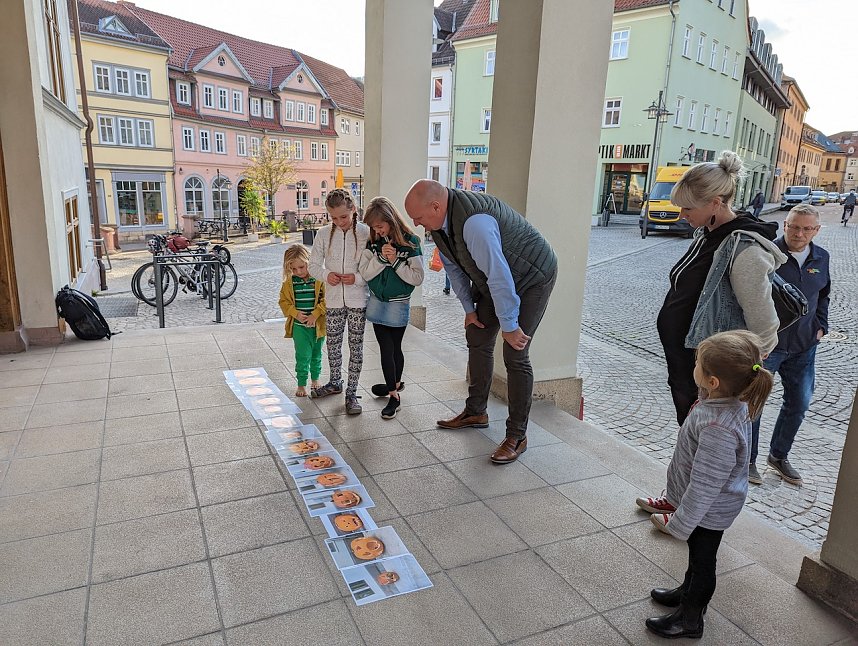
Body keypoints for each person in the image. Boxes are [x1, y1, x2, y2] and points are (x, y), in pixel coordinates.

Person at [637, 152, 785, 517]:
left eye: (688, 209)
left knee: (705, 446)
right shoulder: (709, 233)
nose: (682, 215)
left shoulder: (743, 249)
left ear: (716, 203)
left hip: (714, 374)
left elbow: (765, 326)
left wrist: (734, 378)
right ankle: (675, 497)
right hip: (690, 364)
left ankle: (693, 512)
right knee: (689, 437)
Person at [404, 179, 558, 464]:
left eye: (419, 218)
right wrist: (469, 309)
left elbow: (499, 275)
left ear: (436, 206)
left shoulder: (475, 224)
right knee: (477, 334)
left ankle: (517, 435)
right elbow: (455, 268)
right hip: (498, 278)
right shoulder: (439, 227)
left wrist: (510, 326)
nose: (417, 224)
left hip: (533, 276)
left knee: (515, 352)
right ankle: (476, 411)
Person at [644, 330, 774, 640]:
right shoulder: (721, 402)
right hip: (706, 507)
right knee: (698, 556)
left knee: (703, 562)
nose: (694, 366)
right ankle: (686, 592)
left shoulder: (718, 427)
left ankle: (690, 619)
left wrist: (681, 522)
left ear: (712, 381)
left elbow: (705, 484)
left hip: (708, 510)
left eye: (698, 363)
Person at [748, 204, 830, 486]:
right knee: (753, 404)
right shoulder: (767, 254)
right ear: (785, 225)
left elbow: (824, 294)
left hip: (804, 346)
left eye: (807, 228)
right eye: (794, 226)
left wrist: (821, 326)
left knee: (799, 403)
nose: (800, 233)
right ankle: (747, 460)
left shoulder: (821, 257)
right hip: (767, 346)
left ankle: (778, 456)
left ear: (816, 230)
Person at [358, 197, 424, 420]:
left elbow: (417, 278)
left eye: (379, 225)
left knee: (394, 348)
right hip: (377, 301)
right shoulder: (373, 243)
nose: (376, 230)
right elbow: (365, 273)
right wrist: (381, 259)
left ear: (391, 220)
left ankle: (394, 395)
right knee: (385, 347)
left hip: (398, 303)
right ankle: (393, 387)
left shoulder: (411, 242)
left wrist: (395, 261)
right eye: (373, 227)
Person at [309, 189, 370, 415]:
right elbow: (313, 265)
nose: (339, 222)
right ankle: (335, 382)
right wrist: (326, 275)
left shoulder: (366, 233)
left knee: (356, 347)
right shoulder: (324, 234)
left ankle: (352, 393)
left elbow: (373, 269)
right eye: (333, 218)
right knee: (332, 345)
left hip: (358, 301)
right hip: (333, 300)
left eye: (343, 217)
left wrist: (357, 279)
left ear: (353, 209)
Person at [278, 245, 325, 397]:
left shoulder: (319, 280)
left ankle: (315, 379)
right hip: (300, 327)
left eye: (301, 267)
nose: (298, 272)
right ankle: (301, 383)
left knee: (317, 354)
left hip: (318, 326)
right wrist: (295, 313)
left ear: (309, 262)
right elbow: (283, 302)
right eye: (293, 269)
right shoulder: (289, 283)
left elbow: (328, 298)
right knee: (302, 355)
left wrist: (316, 314)